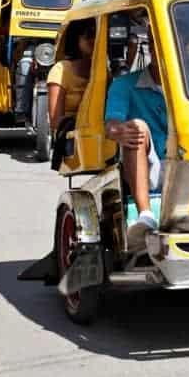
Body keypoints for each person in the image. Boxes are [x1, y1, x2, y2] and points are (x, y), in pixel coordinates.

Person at [104, 35, 168, 248]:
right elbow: (111, 124)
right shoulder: (124, 85)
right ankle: (146, 214)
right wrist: (118, 130)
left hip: (186, 160)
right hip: (149, 163)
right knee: (137, 127)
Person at [47, 22, 95, 129]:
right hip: (69, 136)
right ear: (76, 39)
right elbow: (55, 122)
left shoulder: (103, 71)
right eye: (90, 34)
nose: (95, 39)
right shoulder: (61, 70)